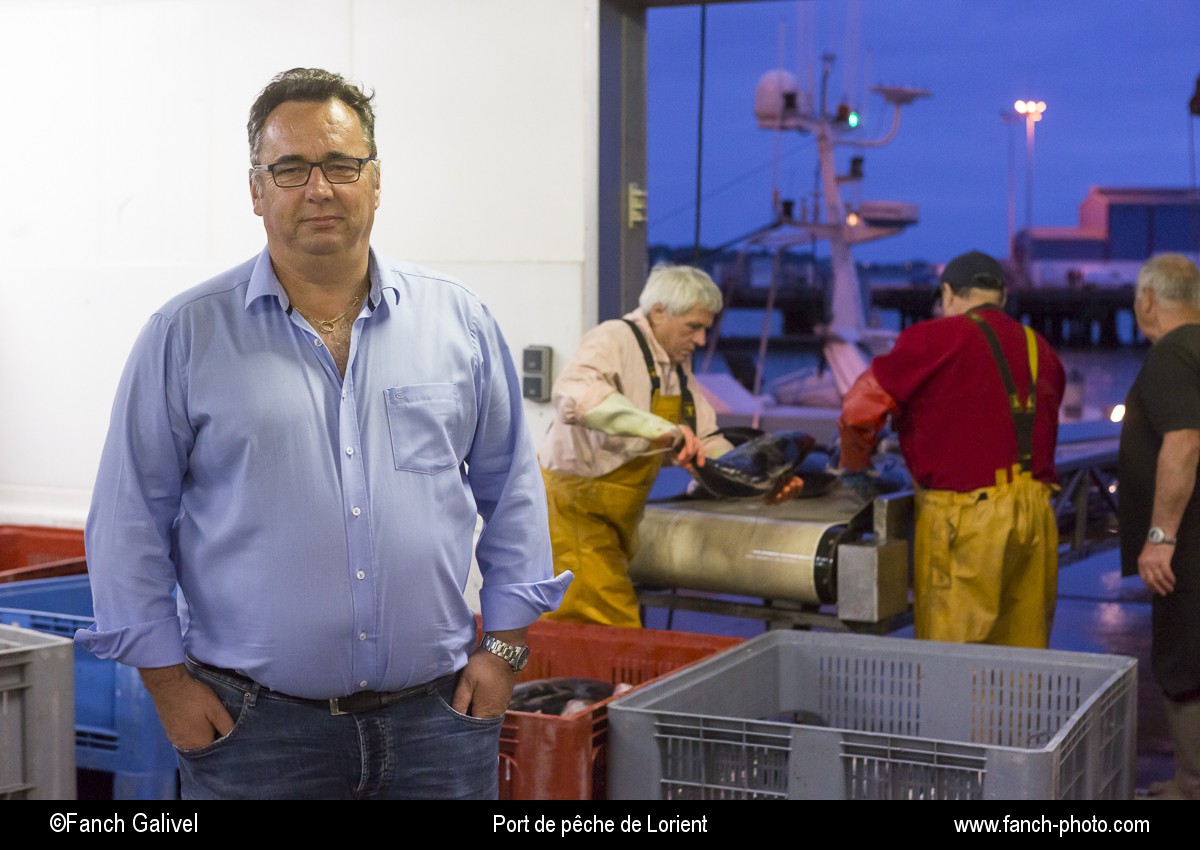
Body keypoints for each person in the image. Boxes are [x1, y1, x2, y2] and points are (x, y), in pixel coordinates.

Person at [75, 67, 571, 800]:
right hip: (256, 735)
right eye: (290, 168)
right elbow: (127, 522)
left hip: (437, 724)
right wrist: (167, 685)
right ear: (256, 190)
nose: (319, 188)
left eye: (341, 165)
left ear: (375, 180)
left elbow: (513, 491)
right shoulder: (185, 336)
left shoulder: (458, 321)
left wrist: (504, 649)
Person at [538, 263, 801, 627]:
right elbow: (575, 394)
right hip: (571, 512)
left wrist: (760, 481)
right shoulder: (614, 337)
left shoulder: (676, 367)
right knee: (610, 628)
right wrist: (657, 429)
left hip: (616, 521)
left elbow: (705, 439)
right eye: (693, 327)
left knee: (592, 630)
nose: (701, 341)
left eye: (706, 329)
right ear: (659, 312)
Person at [837, 249, 1065, 648]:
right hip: (1037, 517)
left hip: (966, 520)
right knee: (1024, 663)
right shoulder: (1041, 349)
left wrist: (854, 469)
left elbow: (858, 410)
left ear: (948, 293)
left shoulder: (932, 338)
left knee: (953, 664)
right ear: (1003, 296)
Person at [1118, 252, 1200, 800]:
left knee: (1181, 662)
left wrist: (1159, 538)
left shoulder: (1171, 354)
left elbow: (1185, 439)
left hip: (1188, 553)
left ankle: (1190, 783)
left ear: (1147, 299)